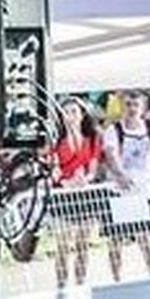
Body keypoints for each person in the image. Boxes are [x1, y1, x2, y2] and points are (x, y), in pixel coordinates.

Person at [102, 90, 150, 280]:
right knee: (115, 242)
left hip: (143, 192)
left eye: (136, 105)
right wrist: (120, 174)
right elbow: (110, 153)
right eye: (128, 105)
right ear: (122, 107)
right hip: (120, 192)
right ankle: (117, 280)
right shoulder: (113, 130)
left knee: (146, 240)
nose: (132, 109)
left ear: (143, 108)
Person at [47, 97, 104, 288]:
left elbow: (93, 167)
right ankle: (61, 285)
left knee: (82, 244)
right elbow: (54, 168)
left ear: (81, 115)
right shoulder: (55, 139)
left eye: (74, 112)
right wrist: (65, 182)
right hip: (63, 195)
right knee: (62, 245)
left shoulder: (93, 137)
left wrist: (84, 179)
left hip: (85, 194)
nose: (70, 116)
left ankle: (80, 282)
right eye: (66, 113)